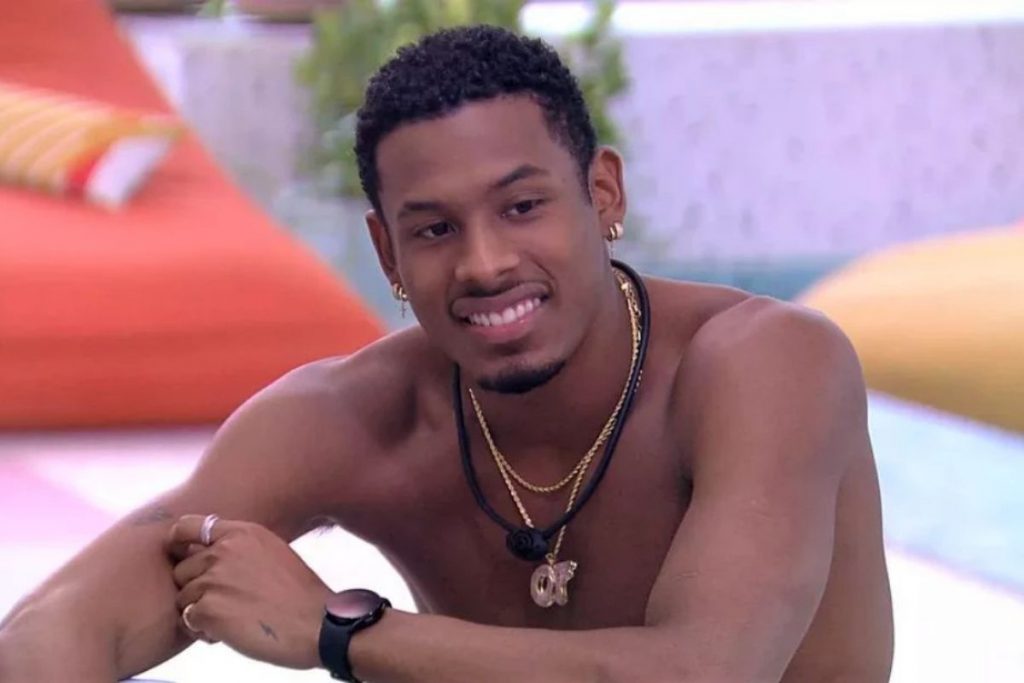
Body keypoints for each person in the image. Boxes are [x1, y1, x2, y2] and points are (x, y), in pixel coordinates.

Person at [0, 25, 893, 682]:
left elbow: (707, 671)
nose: (485, 263)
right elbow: (55, 625)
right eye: (434, 229)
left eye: (522, 207)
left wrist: (339, 631)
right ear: (387, 253)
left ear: (603, 192)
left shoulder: (765, 364)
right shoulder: (353, 418)